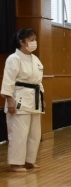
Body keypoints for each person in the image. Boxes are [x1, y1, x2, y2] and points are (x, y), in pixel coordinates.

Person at [1, 28, 45, 172]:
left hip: (35, 99)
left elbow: (38, 81)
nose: (34, 42)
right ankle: (15, 163)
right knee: (19, 133)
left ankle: (29, 160)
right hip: (19, 98)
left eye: (35, 39)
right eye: (31, 40)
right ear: (22, 42)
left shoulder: (35, 59)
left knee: (34, 133)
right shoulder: (14, 58)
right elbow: (8, 80)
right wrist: (9, 100)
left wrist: (42, 97)